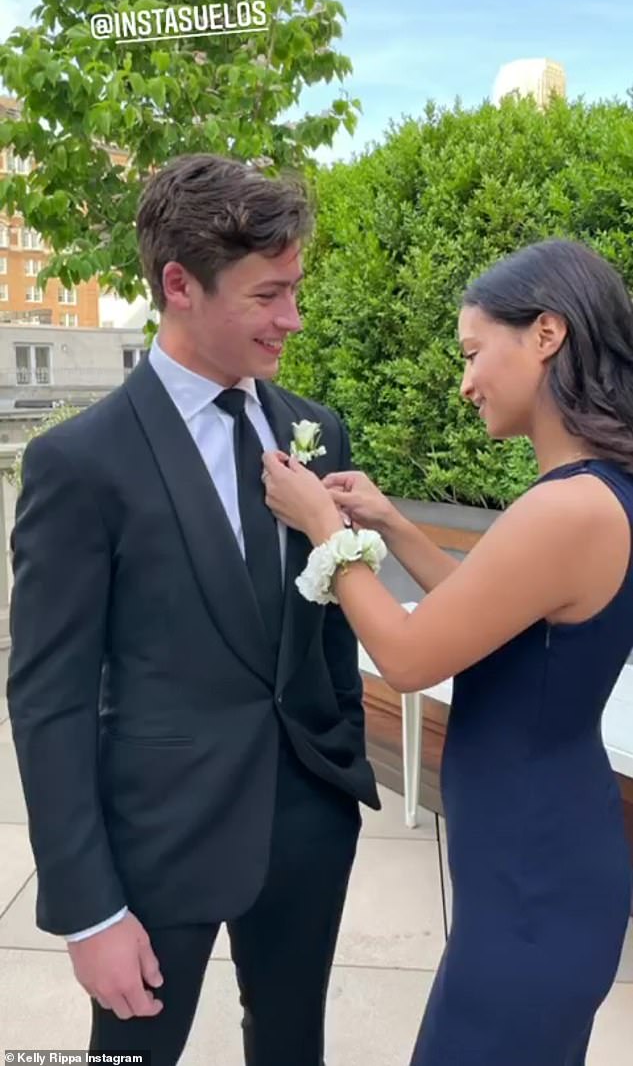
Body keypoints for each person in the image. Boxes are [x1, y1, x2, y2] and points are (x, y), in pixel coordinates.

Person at [7, 153, 379, 1066]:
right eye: (267, 295)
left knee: (291, 1046)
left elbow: (327, 628)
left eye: (295, 290)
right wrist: (88, 909)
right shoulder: (80, 463)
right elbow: (49, 698)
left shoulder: (315, 429)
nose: (292, 318)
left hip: (307, 823)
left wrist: (338, 761)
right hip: (157, 839)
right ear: (179, 285)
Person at [262, 237, 633, 1066]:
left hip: (531, 881)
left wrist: (323, 529)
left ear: (545, 334)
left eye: (471, 352)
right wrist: (392, 525)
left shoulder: (569, 508)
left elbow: (407, 658)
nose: (464, 383)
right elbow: (494, 618)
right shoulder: (598, 493)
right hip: (542, 855)